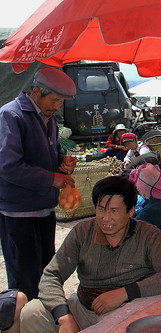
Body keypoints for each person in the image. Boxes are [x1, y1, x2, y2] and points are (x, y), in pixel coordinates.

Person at [20, 176, 161, 332]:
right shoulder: (82, 232)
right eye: (101, 209)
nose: (106, 218)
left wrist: (124, 293)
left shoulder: (149, 235)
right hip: (83, 308)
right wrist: (64, 316)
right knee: (31, 313)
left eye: (114, 211)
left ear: (131, 211)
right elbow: (51, 276)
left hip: (125, 311)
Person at [0, 67, 77, 301]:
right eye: (54, 100)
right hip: (18, 212)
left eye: (60, 102)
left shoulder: (48, 119)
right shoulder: (10, 116)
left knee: (46, 273)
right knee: (25, 279)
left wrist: (62, 163)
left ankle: (43, 318)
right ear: (36, 92)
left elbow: (49, 157)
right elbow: (8, 165)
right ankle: (21, 322)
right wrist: (54, 178)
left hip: (44, 209)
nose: (56, 107)